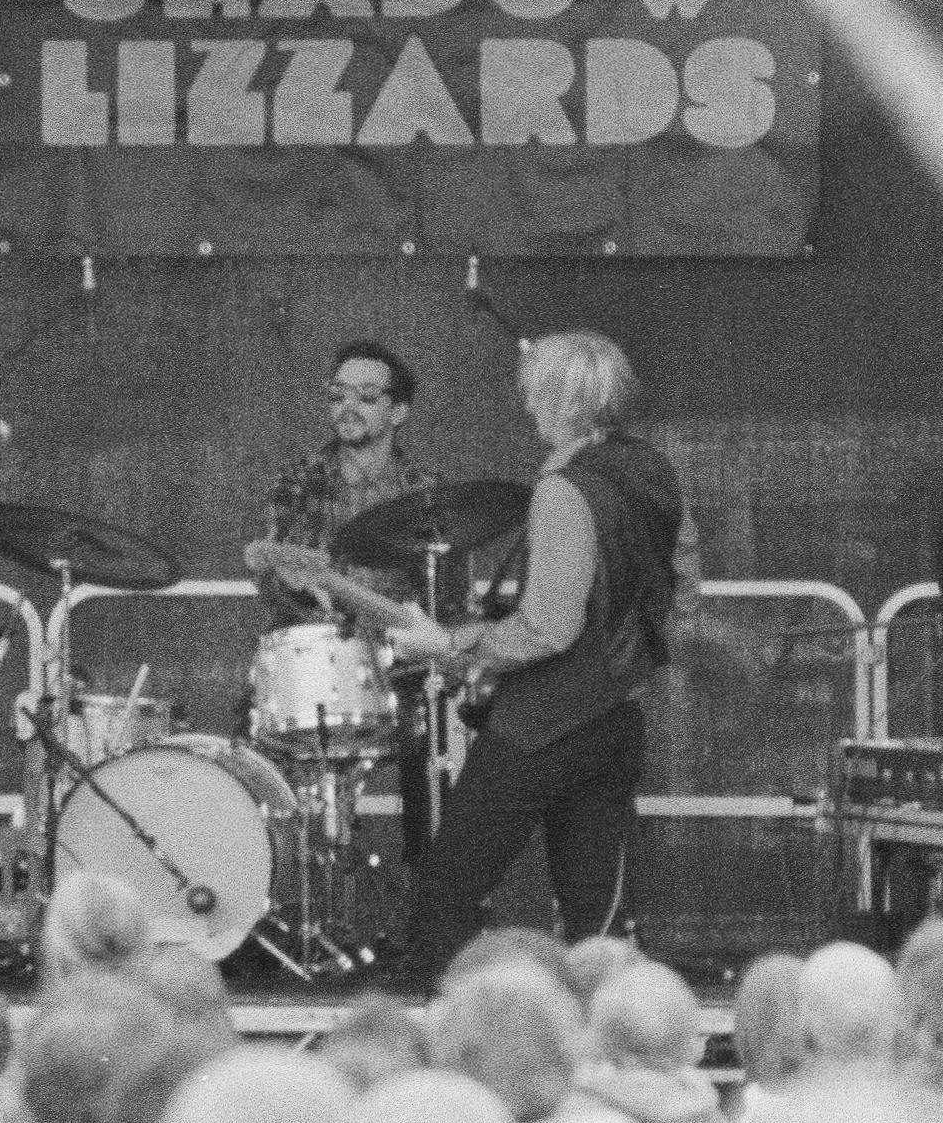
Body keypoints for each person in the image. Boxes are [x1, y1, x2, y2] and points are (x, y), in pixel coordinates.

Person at [391, 332, 690, 981]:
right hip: (616, 718)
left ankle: (462, 1040)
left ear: (555, 401)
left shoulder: (564, 491)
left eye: (532, 395)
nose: (527, 409)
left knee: (443, 895)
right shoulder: (652, 474)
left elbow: (550, 629)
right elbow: (680, 588)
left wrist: (446, 643)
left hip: (543, 723)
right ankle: (603, 1053)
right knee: (598, 923)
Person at [244, 340, 453, 879]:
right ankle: (267, 893)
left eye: (365, 396)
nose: (347, 408)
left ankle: (430, 905)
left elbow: (441, 600)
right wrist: (301, 590)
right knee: (248, 738)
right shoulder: (300, 481)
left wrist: (391, 624)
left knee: (435, 749)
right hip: (314, 654)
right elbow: (274, 580)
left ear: (398, 412)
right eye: (337, 395)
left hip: (400, 663)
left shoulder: (425, 492)